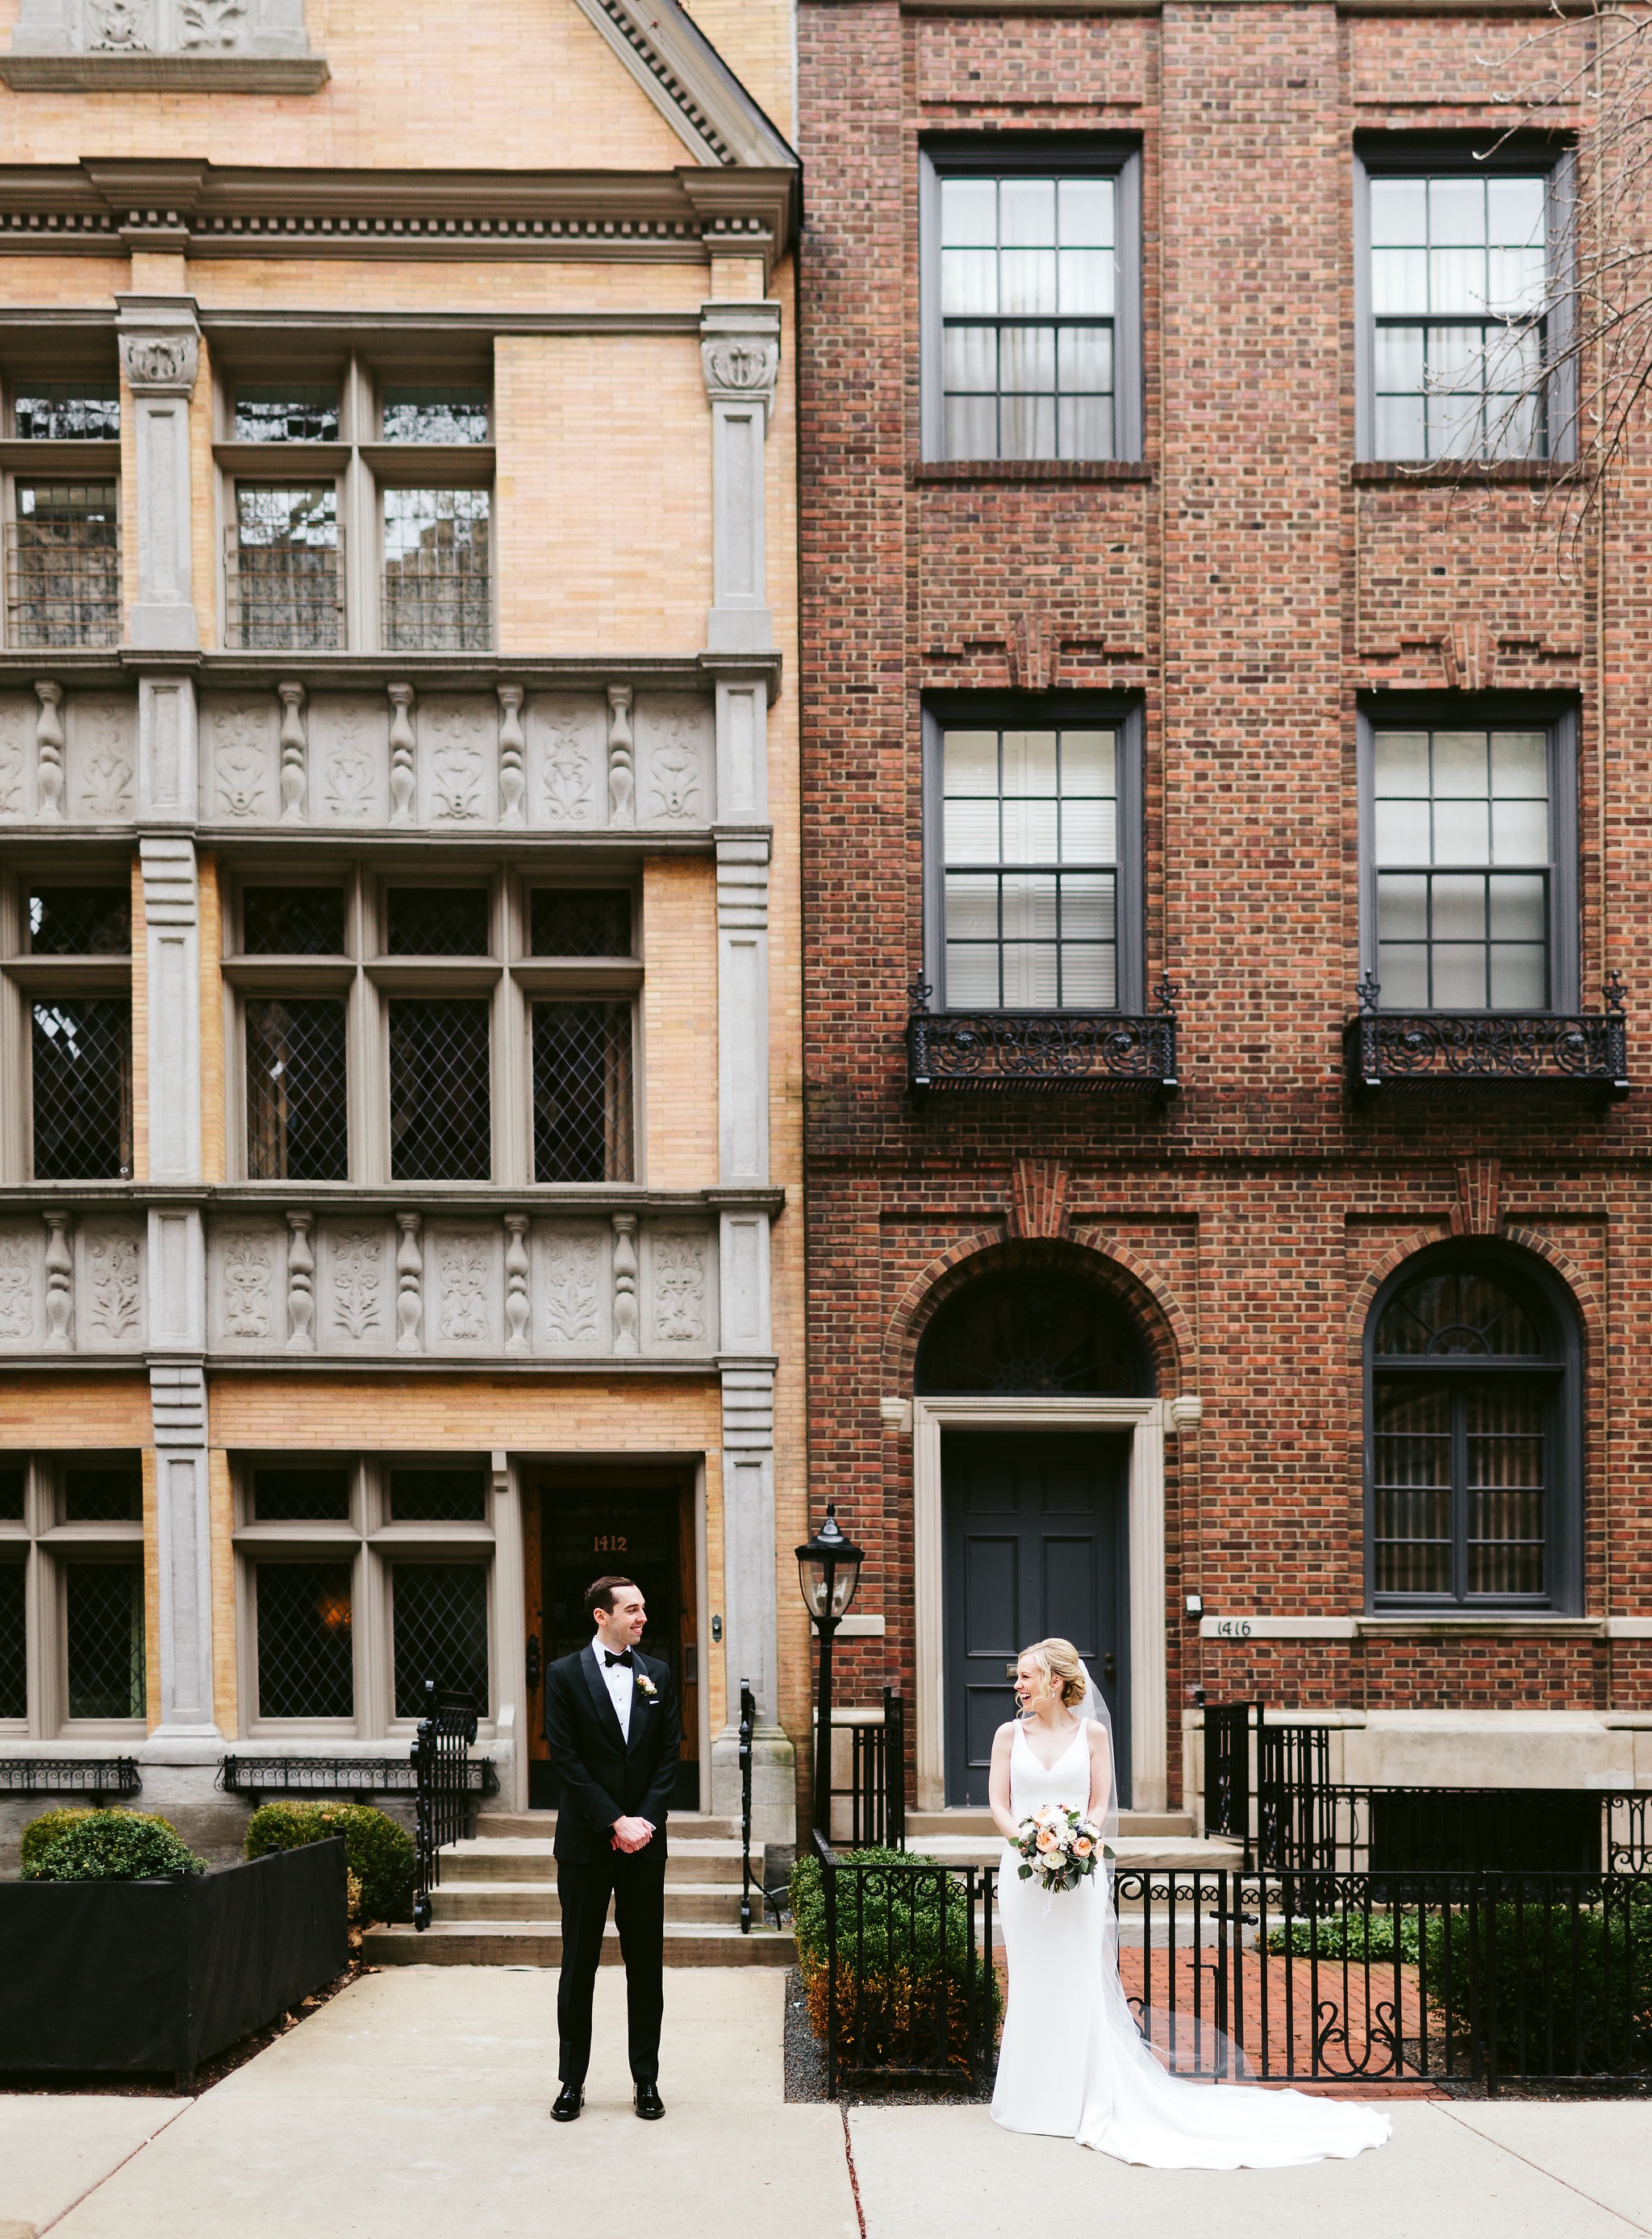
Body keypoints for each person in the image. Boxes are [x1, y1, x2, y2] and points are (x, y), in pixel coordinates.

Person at [987, 1636, 1392, 2167]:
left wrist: (1071, 1843)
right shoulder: (1006, 1735)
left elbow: (1100, 1802)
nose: (1017, 1684)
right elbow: (999, 1802)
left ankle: (1081, 2098)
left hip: (1078, 1871)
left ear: (1056, 1681)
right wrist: (1030, 1844)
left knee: (1078, 1979)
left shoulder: (1093, 1734)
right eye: (1017, 1676)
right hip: (1023, 1873)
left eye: (1026, 1675)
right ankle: (1031, 2100)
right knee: (1034, 1978)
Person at [543, 1574, 682, 2122]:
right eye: (632, 1609)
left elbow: (668, 1755)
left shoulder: (659, 1676)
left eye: (644, 1608)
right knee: (578, 1964)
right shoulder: (562, 1676)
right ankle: (571, 2082)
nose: (642, 1617)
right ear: (602, 1616)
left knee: (645, 1965)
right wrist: (613, 1822)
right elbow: (567, 1760)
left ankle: (646, 2080)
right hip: (585, 1842)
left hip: (644, 1843)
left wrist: (642, 1821)